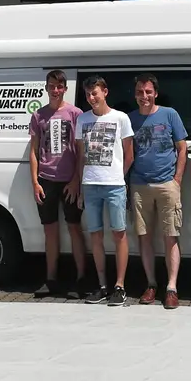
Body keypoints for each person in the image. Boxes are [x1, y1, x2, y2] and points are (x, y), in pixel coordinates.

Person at [70, 76, 133, 306]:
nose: (91, 98)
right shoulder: (82, 120)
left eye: (95, 93)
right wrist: (80, 186)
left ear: (105, 92)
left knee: (119, 234)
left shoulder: (121, 118)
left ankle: (120, 286)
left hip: (115, 185)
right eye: (87, 94)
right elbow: (80, 156)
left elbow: (129, 154)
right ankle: (102, 285)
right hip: (90, 185)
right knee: (95, 235)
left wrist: (119, 176)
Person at [126, 73, 187, 309]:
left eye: (148, 92)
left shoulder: (170, 114)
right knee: (144, 237)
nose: (144, 96)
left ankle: (171, 287)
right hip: (139, 185)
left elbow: (182, 149)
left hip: (166, 184)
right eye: (140, 92)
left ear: (156, 93)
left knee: (170, 236)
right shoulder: (129, 119)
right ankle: (151, 284)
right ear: (135, 94)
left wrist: (177, 180)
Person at [28, 69, 89, 298]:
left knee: (74, 227)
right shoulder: (38, 116)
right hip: (46, 180)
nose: (55, 90)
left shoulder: (75, 113)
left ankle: (81, 278)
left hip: (69, 181)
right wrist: (35, 181)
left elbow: (82, 151)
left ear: (65, 89)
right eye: (51, 86)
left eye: (59, 86)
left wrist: (76, 180)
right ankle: (51, 279)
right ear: (46, 88)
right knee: (50, 230)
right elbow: (33, 151)